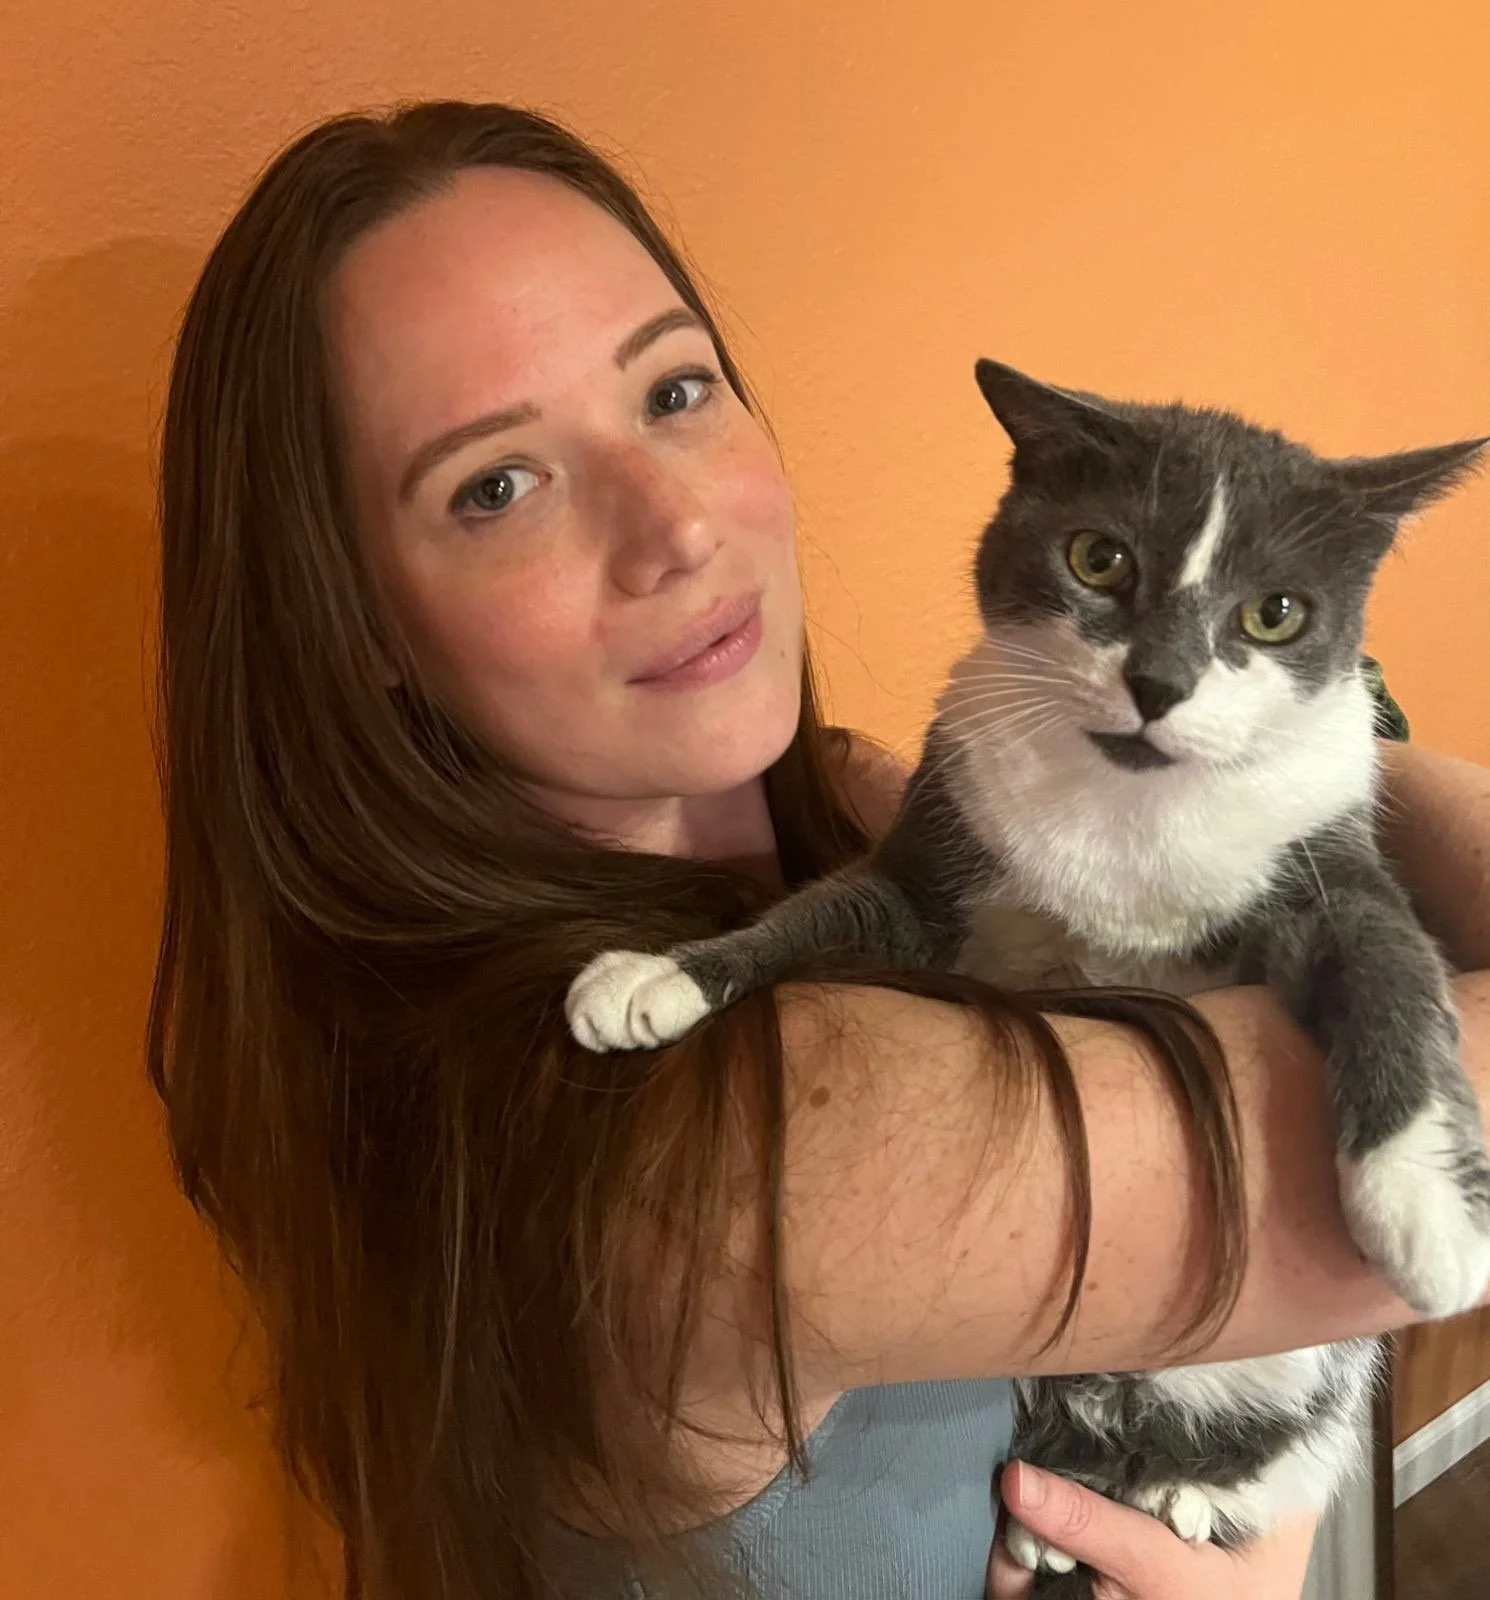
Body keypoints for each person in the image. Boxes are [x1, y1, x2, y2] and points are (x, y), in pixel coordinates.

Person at [146, 99, 1490, 1600]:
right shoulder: (730, 1133)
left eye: (673, 390)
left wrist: (1236, 724)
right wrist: (1276, 750)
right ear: (360, 628)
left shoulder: (844, 827)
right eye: (496, 486)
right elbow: (1407, 1208)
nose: (673, 528)